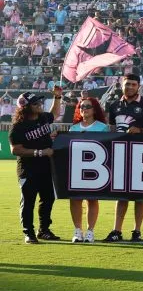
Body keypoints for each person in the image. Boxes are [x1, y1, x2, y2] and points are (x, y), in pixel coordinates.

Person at [103, 74, 143, 242]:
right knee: (121, 194)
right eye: (127, 84)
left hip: (142, 154)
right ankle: (116, 231)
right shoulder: (114, 105)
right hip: (120, 154)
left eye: (133, 85)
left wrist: (139, 131)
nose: (130, 87)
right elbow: (112, 129)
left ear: (138, 87)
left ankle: (137, 231)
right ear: (122, 85)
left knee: (139, 195)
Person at [10, 88, 63, 243]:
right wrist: (40, 152)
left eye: (39, 101)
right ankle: (28, 232)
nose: (39, 104)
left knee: (48, 199)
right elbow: (15, 150)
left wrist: (57, 97)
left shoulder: (43, 117)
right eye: (35, 103)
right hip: (28, 169)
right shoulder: (18, 126)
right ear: (25, 107)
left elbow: (55, 113)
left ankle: (44, 230)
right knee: (28, 202)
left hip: (46, 167)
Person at [68, 96, 107, 243]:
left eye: (88, 106)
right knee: (75, 199)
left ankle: (90, 231)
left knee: (92, 199)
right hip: (77, 168)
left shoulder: (102, 128)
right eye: (82, 106)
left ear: (94, 109)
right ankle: (77, 230)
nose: (84, 109)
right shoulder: (73, 128)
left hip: (95, 169)